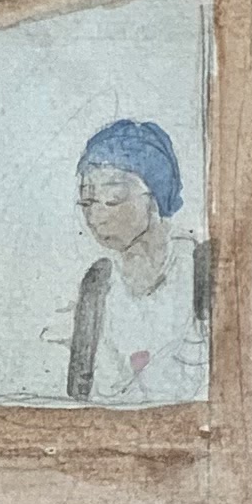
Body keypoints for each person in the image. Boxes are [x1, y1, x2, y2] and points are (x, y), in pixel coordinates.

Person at [67, 118, 211, 405]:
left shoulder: (201, 269)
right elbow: (80, 394)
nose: (96, 216)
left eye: (113, 199)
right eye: (87, 202)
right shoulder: (98, 282)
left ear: (156, 196)